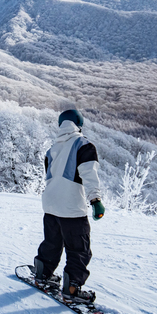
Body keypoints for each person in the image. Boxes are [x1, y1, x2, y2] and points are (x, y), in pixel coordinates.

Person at [32, 109, 105, 304]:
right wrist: (96, 201)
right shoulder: (83, 145)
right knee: (79, 249)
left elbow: (49, 177)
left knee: (52, 242)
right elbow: (89, 175)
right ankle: (72, 288)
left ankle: (42, 273)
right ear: (79, 124)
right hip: (71, 207)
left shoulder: (52, 148)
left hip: (49, 203)